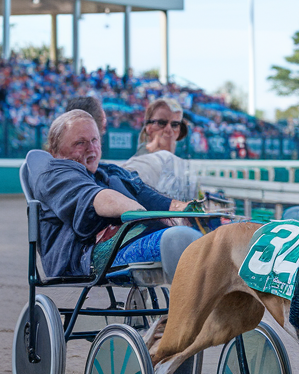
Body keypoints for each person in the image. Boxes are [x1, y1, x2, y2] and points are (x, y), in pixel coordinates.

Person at [26, 109, 200, 286]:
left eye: (95, 140)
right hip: (83, 258)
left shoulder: (110, 172)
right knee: (180, 239)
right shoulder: (56, 174)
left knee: (211, 235)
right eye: (80, 143)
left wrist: (196, 212)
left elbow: (158, 201)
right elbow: (99, 199)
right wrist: (145, 216)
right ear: (56, 151)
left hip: (125, 239)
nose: (91, 148)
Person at [120, 97, 196, 200]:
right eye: (161, 123)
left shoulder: (182, 169)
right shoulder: (141, 163)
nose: (168, 130)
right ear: (149, 127)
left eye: (175, 124)